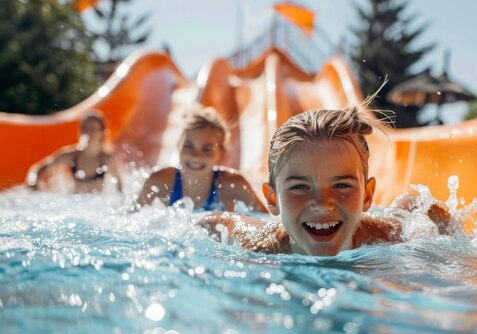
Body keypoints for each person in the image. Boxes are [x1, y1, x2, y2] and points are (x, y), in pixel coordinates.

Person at [197, 102, 452, 256]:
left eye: (341, 185)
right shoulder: (258, 245)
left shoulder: (387, 236)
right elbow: (213, 222)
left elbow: (432, 210)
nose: (322, 203)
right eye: (300, 187)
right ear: (272, 199)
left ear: (367, 195)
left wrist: (452, 235)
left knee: (408, 207)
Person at [136, 105, 267, 212]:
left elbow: (266, 221)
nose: (196, 156)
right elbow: (130, 219)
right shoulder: (160, 182)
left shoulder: (233, 186)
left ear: (221, 154)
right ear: (178, 147)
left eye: (207, 149)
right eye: (188, 146)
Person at [27, 111, 121, 193]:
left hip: (96, 206)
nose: (88, 132)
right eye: (85, 128)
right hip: (74, 203)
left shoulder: (107, 160)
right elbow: (38, 168)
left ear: (102, 133)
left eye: (92, 128)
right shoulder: (70, 156)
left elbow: (120, 189)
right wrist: (33, 184)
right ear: (80, 131)